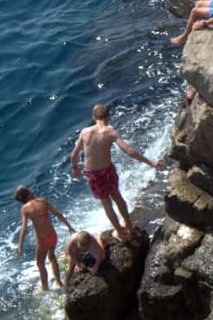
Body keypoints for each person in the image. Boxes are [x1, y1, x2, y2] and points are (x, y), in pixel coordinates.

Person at [71, 103, 165, 239]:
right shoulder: (111, 132)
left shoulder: (84, 132)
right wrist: (151, 162)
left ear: (94, 117)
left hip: (91, 173)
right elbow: (129, 151)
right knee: (117, 197)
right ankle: (129, 226)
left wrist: (75, 168)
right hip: (107, 172)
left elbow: (73, 155)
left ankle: (120, 233)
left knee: (106, 203)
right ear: (108, 117)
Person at [14, 186, 73, 294]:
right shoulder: (43, 201)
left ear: (21, 199)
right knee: (52, 256)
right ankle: (59, 282)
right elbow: (57, 213)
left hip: (43, 241)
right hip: (53, 235)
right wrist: (69, 226)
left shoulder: (25, 209)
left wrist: (20, 245)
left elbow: (24, 228)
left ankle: (45, 288)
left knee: (40, 263)